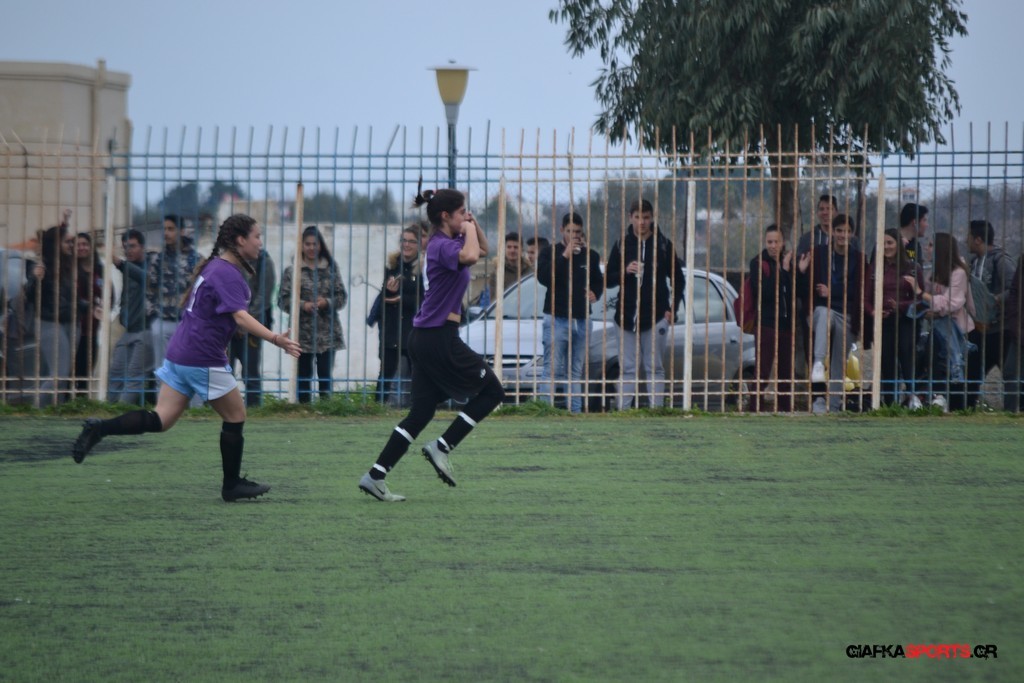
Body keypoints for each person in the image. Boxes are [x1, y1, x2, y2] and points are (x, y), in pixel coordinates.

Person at [71, 214, 302, 501]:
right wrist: (276, 339)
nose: (260, 242)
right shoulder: (228, 273)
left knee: (162, 419)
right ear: (241, 240)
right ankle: (232, 485)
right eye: (257, 236)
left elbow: (214, 315)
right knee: (236, 415)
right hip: (201, 358)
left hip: (180, 353)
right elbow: (240, 317)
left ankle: (99, 428)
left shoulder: (215, 266)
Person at [358, 183, 500, 502]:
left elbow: (483, 249)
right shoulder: (440, 246)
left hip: (426, 338)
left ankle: (375, 476)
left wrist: (471, 223)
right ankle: (442, 446)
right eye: (462, 212)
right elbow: (471, 255)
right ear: (446, 216)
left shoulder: (450, 241)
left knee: (421, 413)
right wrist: (468, 228)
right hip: (438, 337)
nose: (466, 216)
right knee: (493, 391)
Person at [604, 198, 686, 409]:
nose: (641, 222)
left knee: (655, 367)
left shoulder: (664, 245)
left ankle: (655, 410)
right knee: (627, 368)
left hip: (656, 316)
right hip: (625, 316)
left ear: (652, 218)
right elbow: (608, 280)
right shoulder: (621, 244)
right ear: (630, 217)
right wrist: (625, 271)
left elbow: (678, 279)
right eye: (637, 217)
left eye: (646, 217)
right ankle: (624, 412)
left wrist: (672, 309)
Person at [798, 214, 872, 414]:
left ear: (852, 234)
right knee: (824, 314)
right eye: (839, 230)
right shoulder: (819, 254)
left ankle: (834, 405)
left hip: (847, 314)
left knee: (839, 362)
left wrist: (833, 291)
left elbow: (859, 290)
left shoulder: (859, 259)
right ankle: (818, 365)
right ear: (832, 232)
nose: (842, 235)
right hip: (822, 311)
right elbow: (805, 288)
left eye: (847, 231)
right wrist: (801, 271)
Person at [536, 212, 604, 413]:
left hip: (582, 319)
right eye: (569, 231)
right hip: (556, 318)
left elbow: (598, 281)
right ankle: (545, 411)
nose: (574, 235)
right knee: (551, 369)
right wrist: (565, 255)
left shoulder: (591, 255)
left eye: (577, 232)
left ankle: (574, 412)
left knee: (575, 371)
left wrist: (595, 292)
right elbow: (544, 277)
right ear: (561, 230)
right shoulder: (550, 252)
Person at [904, 232, 974, 411]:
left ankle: (951, 404)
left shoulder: (959, 273)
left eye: (931, 245)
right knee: (929, 360)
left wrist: (920, 292)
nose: (927, 248)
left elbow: (950, 303)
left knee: (952, 368)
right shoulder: (934, 273)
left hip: (957, 331)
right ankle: (929, 396)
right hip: (936, 328)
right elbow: (928, 300)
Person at [279, 226, 347, 403]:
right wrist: (303, 305)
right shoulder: (292, 271)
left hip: (327, 334)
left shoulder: (331, 268)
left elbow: (342, 297)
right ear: (301, 246)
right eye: (307, 244)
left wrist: (327, 302)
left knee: (325, 375)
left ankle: (326, 407)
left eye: (314, 244)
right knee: (303, 375)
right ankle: (303, 408)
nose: (311, 248)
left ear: (320, 246)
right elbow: (283, 300)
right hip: (302, 333)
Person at [25, 225, 83, 405]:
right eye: (67, 242)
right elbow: (29, 295)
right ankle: (37, 409)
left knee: (63, 376)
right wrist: (36, 279)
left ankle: (55, 410)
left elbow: (72, 298)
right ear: (55, 244)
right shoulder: (41, 265)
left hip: (72, 322)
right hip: (49, 322)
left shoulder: (69, 265)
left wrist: (87, 306)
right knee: (58, 374)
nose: (71, 245)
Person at [965, 220, 1016, 408]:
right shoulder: (974, 262)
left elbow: (1014, 289)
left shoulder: (1001, 260)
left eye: (969, 237)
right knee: (970, 374)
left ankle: (1016, 409)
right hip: (979, 330)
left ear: (978, 239)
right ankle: (966, 408)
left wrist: (995, 299)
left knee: (1011, 375)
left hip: (1000, 330)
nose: (966, 241)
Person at [871, 229, 925, 407]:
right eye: (883, 243)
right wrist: (874, 310)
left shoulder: (913, 268)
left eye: (890, 243)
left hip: (906, 321)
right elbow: (867, 294)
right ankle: (889, 403)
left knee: (907, 358)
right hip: (883, 320)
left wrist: (900, 305)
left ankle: (912, 399)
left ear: (898, 245)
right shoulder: (876, 267)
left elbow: (920, 299)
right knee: (886, 362)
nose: (886, 247)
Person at [749, 224, 797, 412]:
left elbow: (795, 293)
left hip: (786, 324)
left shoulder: (789, 262)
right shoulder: (758, 263)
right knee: (762, 371)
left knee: (786, 373)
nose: (773, 246)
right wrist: (782, 271)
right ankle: (755, 409)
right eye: (769, 242)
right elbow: (764, 293)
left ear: (783, 242)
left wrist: (797, 271)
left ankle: (785, 409)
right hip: (766, 324)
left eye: (776, 242)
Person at [376, 225, 424, 407]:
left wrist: (403, 299)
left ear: (419, 244)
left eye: (412, 241)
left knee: (417, 372)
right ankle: (378, 406)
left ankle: (419, 406)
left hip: (413, 328)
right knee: (385, 372)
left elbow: (426, 298)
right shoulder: (392, 266)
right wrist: (389, 292)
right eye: (404, 240)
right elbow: (383, 297)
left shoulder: (424, 268)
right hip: (392, 327)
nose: (407, 245)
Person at [148, 214, 200, 376]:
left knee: (189, 369)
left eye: (171, 229)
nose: (166, 233)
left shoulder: (195, 259)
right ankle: (163, 394)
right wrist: (153, 316)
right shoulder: (158, 259)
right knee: (163, 369)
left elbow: (202, 291)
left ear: (181, 231)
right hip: (163, 321)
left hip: (187, 322)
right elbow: (150, 289)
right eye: (164, 229)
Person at [108, 229, 154, 405]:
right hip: (129, 329)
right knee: (116, 372)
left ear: (142, 247)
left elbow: (146, 278)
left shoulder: (152, 265)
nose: (129, 250)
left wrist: (120, 263)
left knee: (135, 375)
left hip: (146, 329)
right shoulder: (128, 268)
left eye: (133, 246)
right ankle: (109, 408)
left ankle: (121, 410)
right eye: (125, 247)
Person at [228, 246, 276, 407]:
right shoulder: (228, 259)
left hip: (253, 327)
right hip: (228, 325)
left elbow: (264, 297)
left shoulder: (263, 261)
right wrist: (234, 320)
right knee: (223, 370)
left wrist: (245, 322)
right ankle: (224, 406)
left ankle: (254, 406)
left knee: (250, 371)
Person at [73, 232, 104, 393]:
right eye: (78, 245)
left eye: (85, 244)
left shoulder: (99, 269)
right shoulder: (69, 269)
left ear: (91, 247)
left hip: (92, 328)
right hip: (72, 326)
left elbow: (108, 294)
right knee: (69, 371)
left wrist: (103, 306)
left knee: (86, 372)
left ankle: (81, 402)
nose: (82, 248)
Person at [1001, 255, 1024, 412]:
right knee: (1011, 373)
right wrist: (1015, 324)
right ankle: (1011, 413)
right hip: (1020, 331)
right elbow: (1014, 293)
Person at [485, 231, 532, 303]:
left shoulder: (530, 271)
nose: (512, 250)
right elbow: (495, 301)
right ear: (505, 249)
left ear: (522, 249)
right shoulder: (497, 274)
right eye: (509, 247)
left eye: (516, 247)